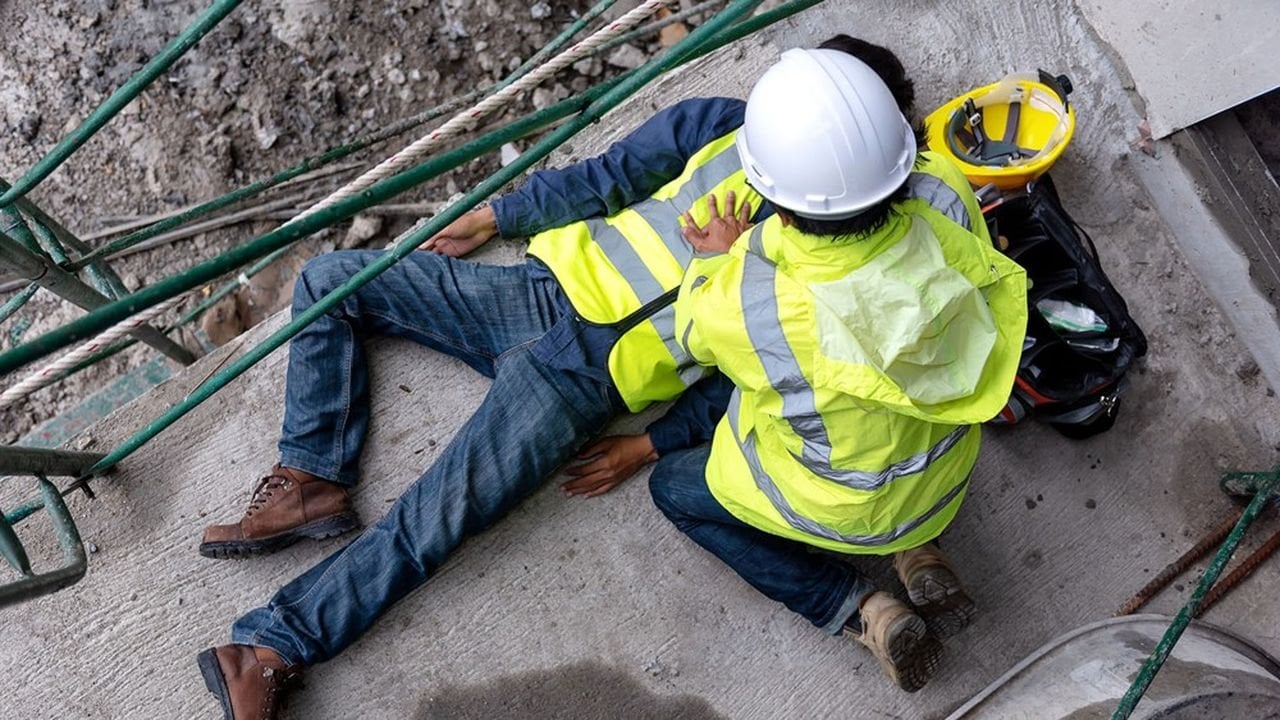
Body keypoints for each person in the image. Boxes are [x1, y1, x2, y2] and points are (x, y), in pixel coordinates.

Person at [195, 37, 933, 719]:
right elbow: (607, 178)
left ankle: (271, 648)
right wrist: (499, 216)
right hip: (537, 290)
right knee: (332, 282)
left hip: (586, 380)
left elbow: (755, 380)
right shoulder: (719, 123)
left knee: (431, 522)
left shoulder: (829, 254)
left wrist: (650, 442)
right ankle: (309, 478)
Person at [651, 48, 1029, 692]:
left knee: (673, 490)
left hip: (838, 503)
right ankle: (915, 554)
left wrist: (717, 258)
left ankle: (865, 611)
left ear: (775, 199)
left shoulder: (750, 296)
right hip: (942, 475)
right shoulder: (948, 194)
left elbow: (691, 338)